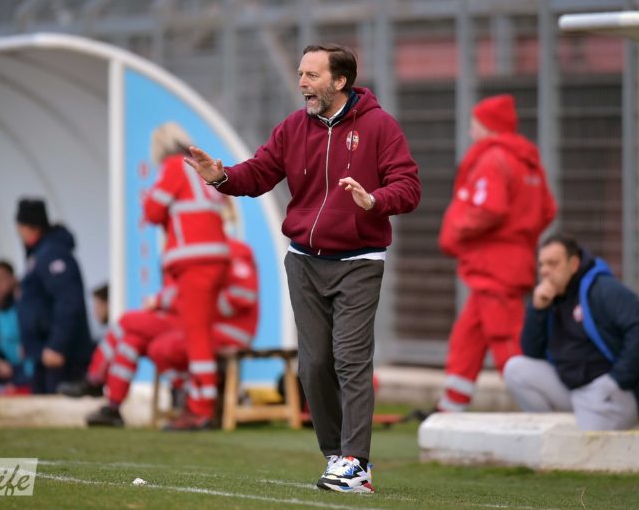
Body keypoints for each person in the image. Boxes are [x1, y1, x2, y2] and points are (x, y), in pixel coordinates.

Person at [185, 44, 421, 493]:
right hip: (304, 262)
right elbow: (258, 173)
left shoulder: (380, 126)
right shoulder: (293, 127)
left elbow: (408, 187)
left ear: (340, 81)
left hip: (359, 262)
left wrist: (374, 201)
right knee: (312, 367)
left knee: (351, 361)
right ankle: (336, 456)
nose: (302, 83)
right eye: (300, 74)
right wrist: (221, 176)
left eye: (312, 75)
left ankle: (357, 463)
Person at [433, 94, 557, 414]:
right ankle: (451, 406)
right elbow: (547, 209)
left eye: (475, 125)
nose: (471, 132)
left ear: (489, 126)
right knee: (468, 335)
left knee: (506, 338)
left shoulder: (493, 159)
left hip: (493, 264)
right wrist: (519, 234)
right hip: (511, 262)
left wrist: (457, 230)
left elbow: (489, 208)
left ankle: (540, 409)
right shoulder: (527, 160)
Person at [78, 237, 259, 428]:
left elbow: (241, 295)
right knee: (132, 341)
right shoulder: (187, 250)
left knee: (130, 323)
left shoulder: (229, 250)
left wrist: (193, 306)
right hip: (194, 322)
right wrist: (165, 302)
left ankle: (95, 379)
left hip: (220, 328)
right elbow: (180, 293)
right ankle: (113, 405)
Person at [142, 122, 231, 430]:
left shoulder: (172, 166)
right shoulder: (199, 168)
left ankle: (200, 409)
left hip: (194, 261)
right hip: (217, 257)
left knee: (196, 336)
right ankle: (203, 401)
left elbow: (153, 211)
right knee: (200, 332)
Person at [504, 235, 639, 431]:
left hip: (612, 391)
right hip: (573, 389)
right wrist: (538, 310)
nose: (545, 271)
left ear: (573, 264)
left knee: (587, 444)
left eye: (553, 263)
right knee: (516, 369)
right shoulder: (550, 297)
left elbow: (636, 328)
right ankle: (550, 433)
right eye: (541, 264)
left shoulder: (603, 288)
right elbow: (532, 353)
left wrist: (617, 379)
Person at [15, 197, 93, 394]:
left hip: (59, 357)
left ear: (30, 227)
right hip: (44, 353)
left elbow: (68, 301)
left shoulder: (52, 253)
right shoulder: (40, 254)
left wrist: (57, 345)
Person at [0, 259, 33, 394]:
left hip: (27, 376)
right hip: (8, 374)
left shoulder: (27, 310)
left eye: (0, 279)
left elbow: (36, 354)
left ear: (13, 280)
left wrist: (15, 371)